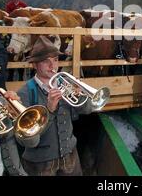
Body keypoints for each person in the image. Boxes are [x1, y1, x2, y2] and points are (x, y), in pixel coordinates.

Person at [16, 36, 93, 176]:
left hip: (70, 155)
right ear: (34, 65)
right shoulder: (24, 93)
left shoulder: (65, 84)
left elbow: (88, 110)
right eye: (46, 61)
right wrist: (49, 110)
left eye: (55, 60)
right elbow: (29, 142)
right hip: (40, 164)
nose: (53, 66)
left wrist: (81, 95)